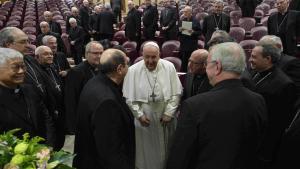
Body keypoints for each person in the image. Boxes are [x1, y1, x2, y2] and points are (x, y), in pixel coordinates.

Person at [166, 42, 268, 169]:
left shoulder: (194, 106)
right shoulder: (258, 100)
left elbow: (179, 158)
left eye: (208, 63)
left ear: (218, 66)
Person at [123, 41, 182, 169]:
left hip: (165, 114)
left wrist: (169, 113)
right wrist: (139, 115)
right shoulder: (133, 70)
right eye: (147, 57)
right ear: (142, 55)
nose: (150, 61)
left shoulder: (169, 67)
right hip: (145, 116)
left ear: (159, 55)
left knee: (168, 147)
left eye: (154, 57)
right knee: (147, 151)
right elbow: (129, 98)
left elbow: (176, 93)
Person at [73, 49, 135, 169]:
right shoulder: (108, 102)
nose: (129, 67)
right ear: (120, 69)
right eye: (127, 64)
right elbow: (110, 150)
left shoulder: (94, 82)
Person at [249, 43, 297, 167]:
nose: (250, 60)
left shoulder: (284, 84)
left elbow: (279, 122)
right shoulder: (255, 72)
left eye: (254, 57)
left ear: (268, 59)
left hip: (265, 143)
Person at [0, 47, 56, 147]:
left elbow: (46, 119)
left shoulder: (30, 89)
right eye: (15, 67)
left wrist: (48, 146)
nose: (21, 71)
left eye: (23, 66)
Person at [64, 41, 103, 134]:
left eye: (101, 53)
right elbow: (71, 100)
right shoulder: (76, 72)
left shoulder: (103, 69)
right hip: (84, 118)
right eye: (95, 53)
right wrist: (73, 125)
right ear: (86, 54)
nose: (99, 56)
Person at [35, 46, 65, 150]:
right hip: (49, 113)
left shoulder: (52, 68)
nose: (50, 56)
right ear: (37, 57)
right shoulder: (37, 73)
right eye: (46, 54)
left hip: (59, 111)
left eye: (51, 54)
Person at [258, 35, 300, 99]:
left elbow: (294, 90)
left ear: (278, 47)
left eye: (265, 48)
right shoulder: (264, 61)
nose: (262, 51)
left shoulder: (292, 63)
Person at [178, 6, 201, 72]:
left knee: (191, 62)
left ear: (190, 12)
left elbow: (200, 32)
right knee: (184, 62)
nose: (184, 13)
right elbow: (178, 34)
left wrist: (193, 32)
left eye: (186, 12)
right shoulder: (182, 21)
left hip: (191, 45)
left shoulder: (196, 21)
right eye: (184, 11)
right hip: (183, 45)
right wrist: (179, 30)